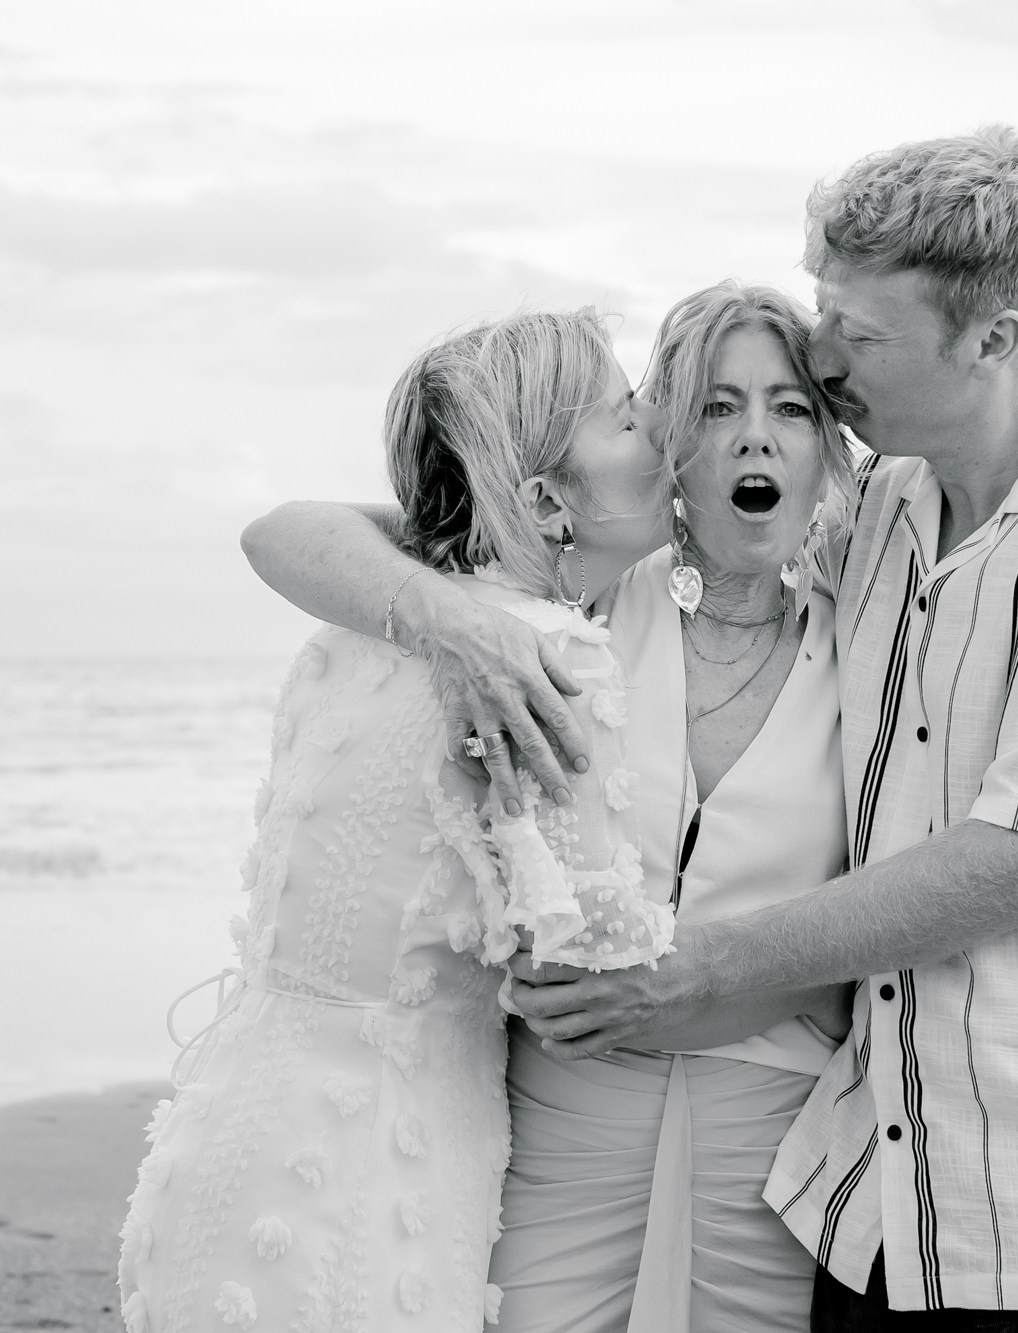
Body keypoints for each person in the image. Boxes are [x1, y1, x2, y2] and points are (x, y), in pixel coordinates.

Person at [249, 127, 1018, 1330]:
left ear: (990, 341)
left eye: (835, 359)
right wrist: (448, 623)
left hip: (988, 1180)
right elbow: (309, 532)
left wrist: (695, 980)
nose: (819, 375)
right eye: (726, 401)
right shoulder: (806, 541)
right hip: (818, 1183)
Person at [241, 281, 864, 1332]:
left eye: (789, 407)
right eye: (715, 407)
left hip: (781, 1131)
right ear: (665, 443)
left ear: (825, 447)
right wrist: (448, 623)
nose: (753, 436)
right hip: (561, 1119)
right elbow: (286, 534)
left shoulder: (875, 640)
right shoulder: (570, 597)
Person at [117, 308, 686, 1333]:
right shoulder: (554, 660)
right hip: (382, 1152)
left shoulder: (347, 633)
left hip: (229, 1124)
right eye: (627, 417)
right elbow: (585, 957)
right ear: (548, 500)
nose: (662, 432)